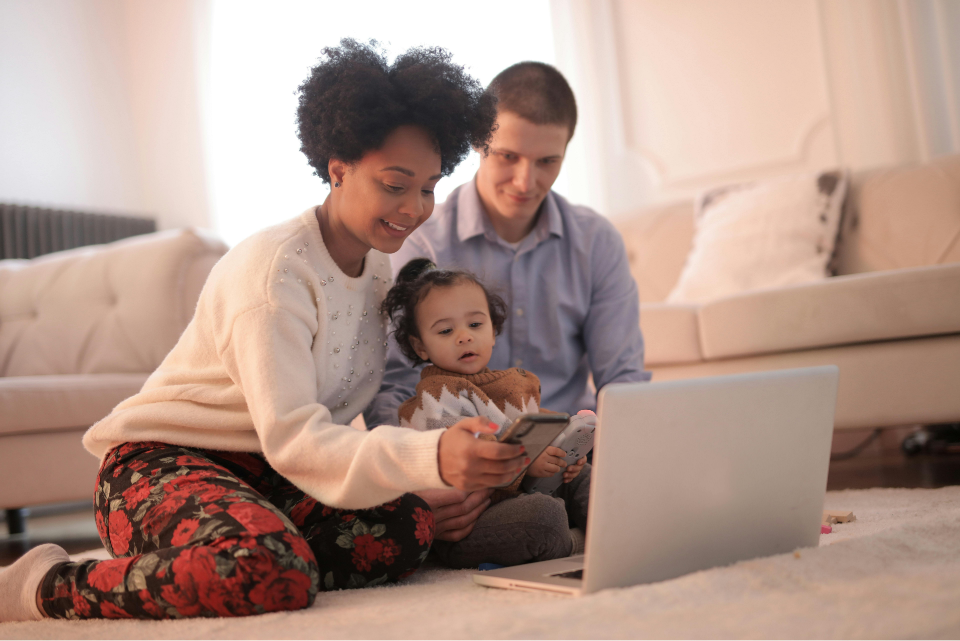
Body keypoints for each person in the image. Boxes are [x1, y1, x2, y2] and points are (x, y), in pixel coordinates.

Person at [0, 40, 512, 623]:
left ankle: (240, 541)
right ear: (338, 168)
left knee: (405, 525)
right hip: (159, 466)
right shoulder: (276, 273)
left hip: (269, 473)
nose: (416, 207)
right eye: (395, 185)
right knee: (266, 569)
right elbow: (296, 437)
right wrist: (430, 455)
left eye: (428, 185)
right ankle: (44, 584)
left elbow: (328, 429)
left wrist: (420, 474)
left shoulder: (375, 267)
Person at [365, 62, 650, 544]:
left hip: (571, 455)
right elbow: (391, 385)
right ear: (478, 145)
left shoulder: (596, 241)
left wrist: (631, 458)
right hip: (467, 464)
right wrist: (417, 480)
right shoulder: (421, 242)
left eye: (547, 162)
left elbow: (622, 381)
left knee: (640, 497)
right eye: (508, 156)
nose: (525, 181)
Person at [382, 258, 592, 568]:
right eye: (445, 331)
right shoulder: (435, 397)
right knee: (543, 517)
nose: (464, 336)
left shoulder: (516, 382)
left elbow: (544, 427)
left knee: (591, 478)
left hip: (528, 492)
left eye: (476, 325)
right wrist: (527, 465)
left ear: (493, 331)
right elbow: (469, 462)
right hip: (472, 522)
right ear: (420, 346)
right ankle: (578, 542)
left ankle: (617, 530)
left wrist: (567, 456)